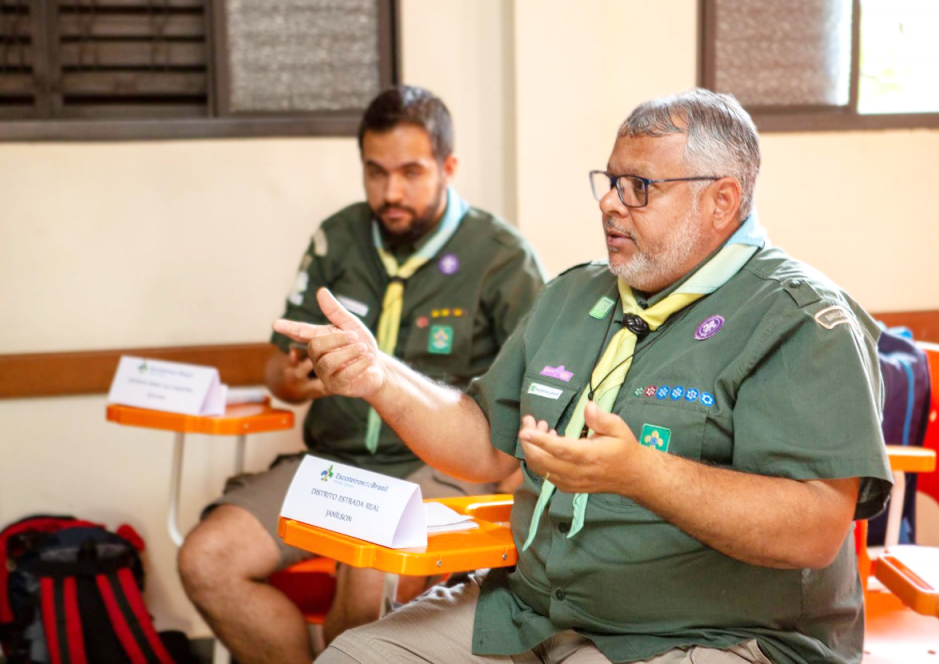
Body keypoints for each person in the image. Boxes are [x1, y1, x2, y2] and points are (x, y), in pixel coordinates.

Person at [276, 89, 893, 664]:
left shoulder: (800, 318)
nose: (610, 203)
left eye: (639, 187)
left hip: (707, 634)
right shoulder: (574, 294)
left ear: (722, 201)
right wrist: (379, 376)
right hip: (531, 610)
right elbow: (483, 439)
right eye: (610, 181)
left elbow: (814, 529)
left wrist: (642, 475)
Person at [178, 85, 546, 664]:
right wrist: (291, 380)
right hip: (334, 464)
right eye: (375, 173)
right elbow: (278, 369)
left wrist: (510, 483)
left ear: (448, 167)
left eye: (410, 172)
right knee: (206, 559)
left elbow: (541, 392)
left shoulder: (502, 256)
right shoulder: (338, 238)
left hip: (436, 468)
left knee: (366, 580)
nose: (390, 192)